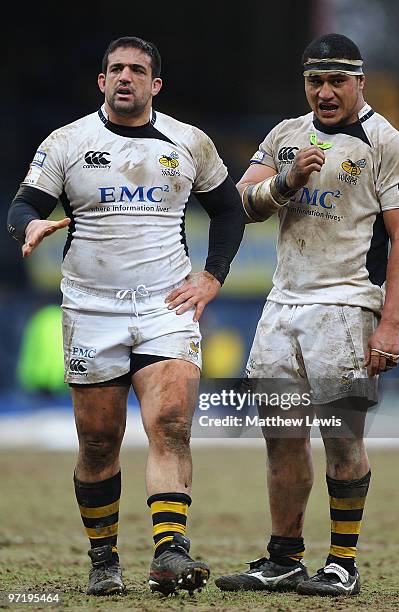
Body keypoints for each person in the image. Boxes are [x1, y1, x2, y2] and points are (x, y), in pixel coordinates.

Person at [8, 36, 244, 597]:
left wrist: (212, 275)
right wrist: (29, 226)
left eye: (137, 70)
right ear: (101, 81)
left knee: (169, 424)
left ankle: (169, 552)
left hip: (166, 306)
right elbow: (24, 205)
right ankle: (103, 558)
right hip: (91, 308)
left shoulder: (189, 142)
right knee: (97, 440)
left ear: (154, 85)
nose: (125, 77)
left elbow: (229, 207)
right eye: (116, 69)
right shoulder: (67, 142)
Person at [215, 33, 399, 597]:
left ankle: (342, 565)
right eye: (315, 80)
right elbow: (244, 202)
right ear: (304, 82)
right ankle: (284, 557)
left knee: (341, 437)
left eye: (338, 81)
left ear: (360, 81)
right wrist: (287, 181)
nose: (326, 92)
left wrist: (391, 323)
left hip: (348, 305)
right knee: (281, 436)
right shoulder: (286, 135)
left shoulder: (391, 146)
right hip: (283, 305)